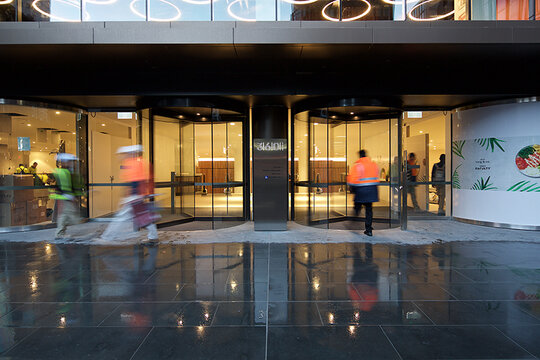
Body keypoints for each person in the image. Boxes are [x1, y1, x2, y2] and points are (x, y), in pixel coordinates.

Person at [101, 145, 159, 243]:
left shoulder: (133, 163)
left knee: (121, 217)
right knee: (142, 216)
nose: (120, 157)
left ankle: (107, 237)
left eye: (122, 155)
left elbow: (134, 182)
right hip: (135, 196)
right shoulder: (135, 162)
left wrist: (129, 197)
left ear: (128, 154)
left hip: (133, 196)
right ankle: (153, 236)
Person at [49, 153, 82, 239]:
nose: (72, 163)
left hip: (65, 196)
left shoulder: (65, 171)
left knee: (66, 215)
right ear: (65, 162)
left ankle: (60, 233)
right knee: (67, 216)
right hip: (65, 197)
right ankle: (60, 233)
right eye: (70, 162)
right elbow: (65, 186)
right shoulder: (63, 172)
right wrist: (71, 196)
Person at [347, 149, 379, 236]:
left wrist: (351, 188)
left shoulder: (358, 165)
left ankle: (353, 222)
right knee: (369, 210)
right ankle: (368, 229)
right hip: (372, 190)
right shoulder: (374, 164)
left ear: (360, 156)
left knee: (357, 207)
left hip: (361, 191)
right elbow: (377, 176)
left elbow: (352, 179)